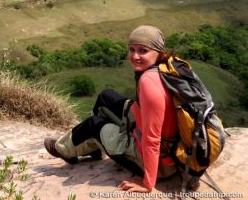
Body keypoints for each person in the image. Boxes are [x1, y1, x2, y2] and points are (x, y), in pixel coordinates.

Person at [44, 25, 193, 193]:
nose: (135, 56)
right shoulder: (170, 66)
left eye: (143, 51)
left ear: (158, 51)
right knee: (106, 96)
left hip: (161, 164)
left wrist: (147, 183)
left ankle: (63, 149)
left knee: (94, 124)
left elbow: (152, 140)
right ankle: (94, 146)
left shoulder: (149, 82)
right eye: (132, 49)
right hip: (168, 140)